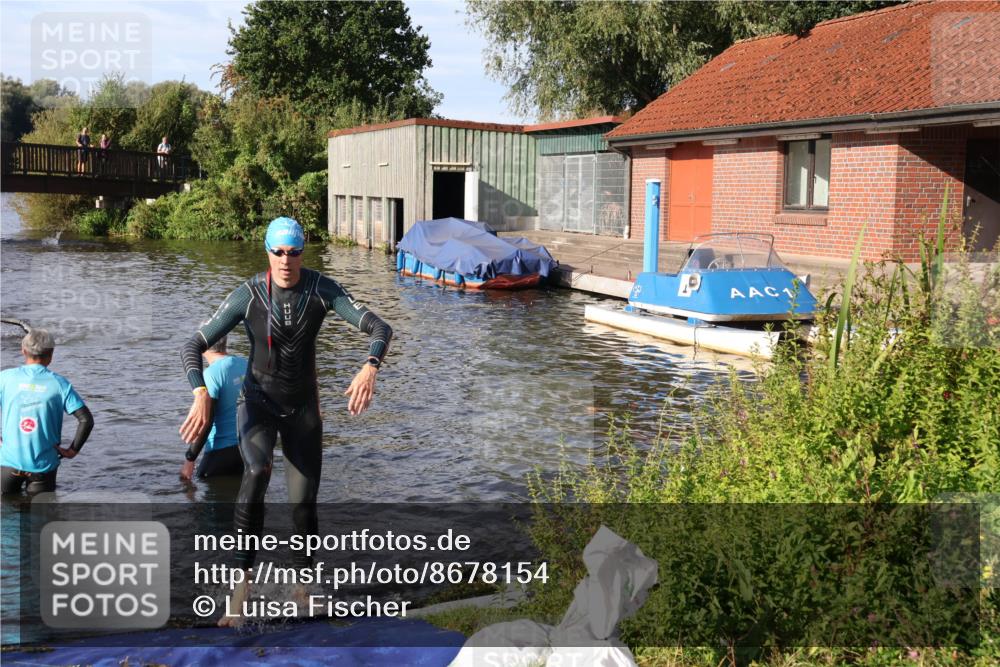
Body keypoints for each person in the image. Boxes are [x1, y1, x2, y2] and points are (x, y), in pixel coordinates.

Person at [178, 217, 392, 626]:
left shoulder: (321, 289)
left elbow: (380, 326)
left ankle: (302, 589)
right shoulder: (249, 294)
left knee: (303, 503)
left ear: (302, 253)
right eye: (278, 252)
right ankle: (240, 592)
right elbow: (194, 343)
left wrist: (370, 366)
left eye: (294, 252)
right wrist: (200, 392)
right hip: (257, 403)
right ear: (267, 252)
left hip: (303, 410)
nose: (286, 260)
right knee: (256, 471)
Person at [1, 329, 94, 495]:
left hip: (10, 462)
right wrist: (72, 450)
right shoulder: (60, 384)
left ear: (23, 351)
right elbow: (86, 420)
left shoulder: (5, 378)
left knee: (9, 513)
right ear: (51, 354)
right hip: (43, 466)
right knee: (41, 518)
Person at [180, 333, 247, 480]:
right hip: (247, 451)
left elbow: (206, 422)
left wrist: (190, 459)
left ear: (203, 346)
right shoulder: (245, 363)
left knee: (189, 487)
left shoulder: (211, 374)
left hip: (220, 453)